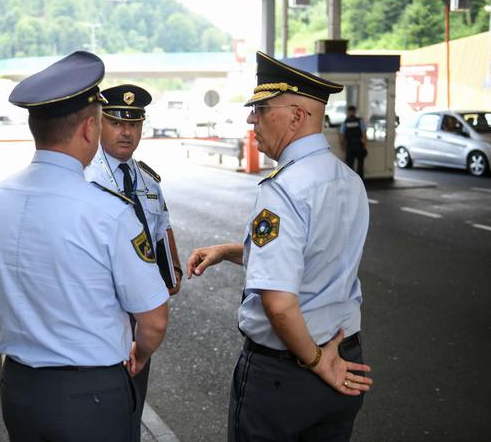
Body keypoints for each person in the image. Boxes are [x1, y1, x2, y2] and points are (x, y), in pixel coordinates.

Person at [0, 51, 169, 442]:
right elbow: (154, 320)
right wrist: (141, 354)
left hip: (20, 389)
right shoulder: (108, 212)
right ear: (88, 130)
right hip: (91, 397)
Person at [187, 51, 373, 442]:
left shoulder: (284, 188)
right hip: (346, 359)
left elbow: (279, 302)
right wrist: (228, 250)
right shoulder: (348, 179)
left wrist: (316, 361)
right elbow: (310, 256)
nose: (252, 118)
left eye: (261, 108)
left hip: (291, 371)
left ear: (296, 116)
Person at [85, 84, 182, 419]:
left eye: (134, 124)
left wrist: (171, 274)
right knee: (100, 407)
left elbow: (161, 231)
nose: (127, 132)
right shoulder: (85, 178)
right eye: (116, 122)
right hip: (100, 312)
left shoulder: (148, 182)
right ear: (98, 123)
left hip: (140, 314)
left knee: (132, 403)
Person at [339, 105, 368, 179]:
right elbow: (364, 134)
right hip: (359, 145)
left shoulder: (345, 122)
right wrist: (365, 146)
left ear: (348, 112)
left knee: (350, 165)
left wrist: (342, 146)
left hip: (350, 146)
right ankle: (361, 180)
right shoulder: (360, 121)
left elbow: (342, 135)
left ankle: (352, 180)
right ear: (355, 112)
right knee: (360, 165)